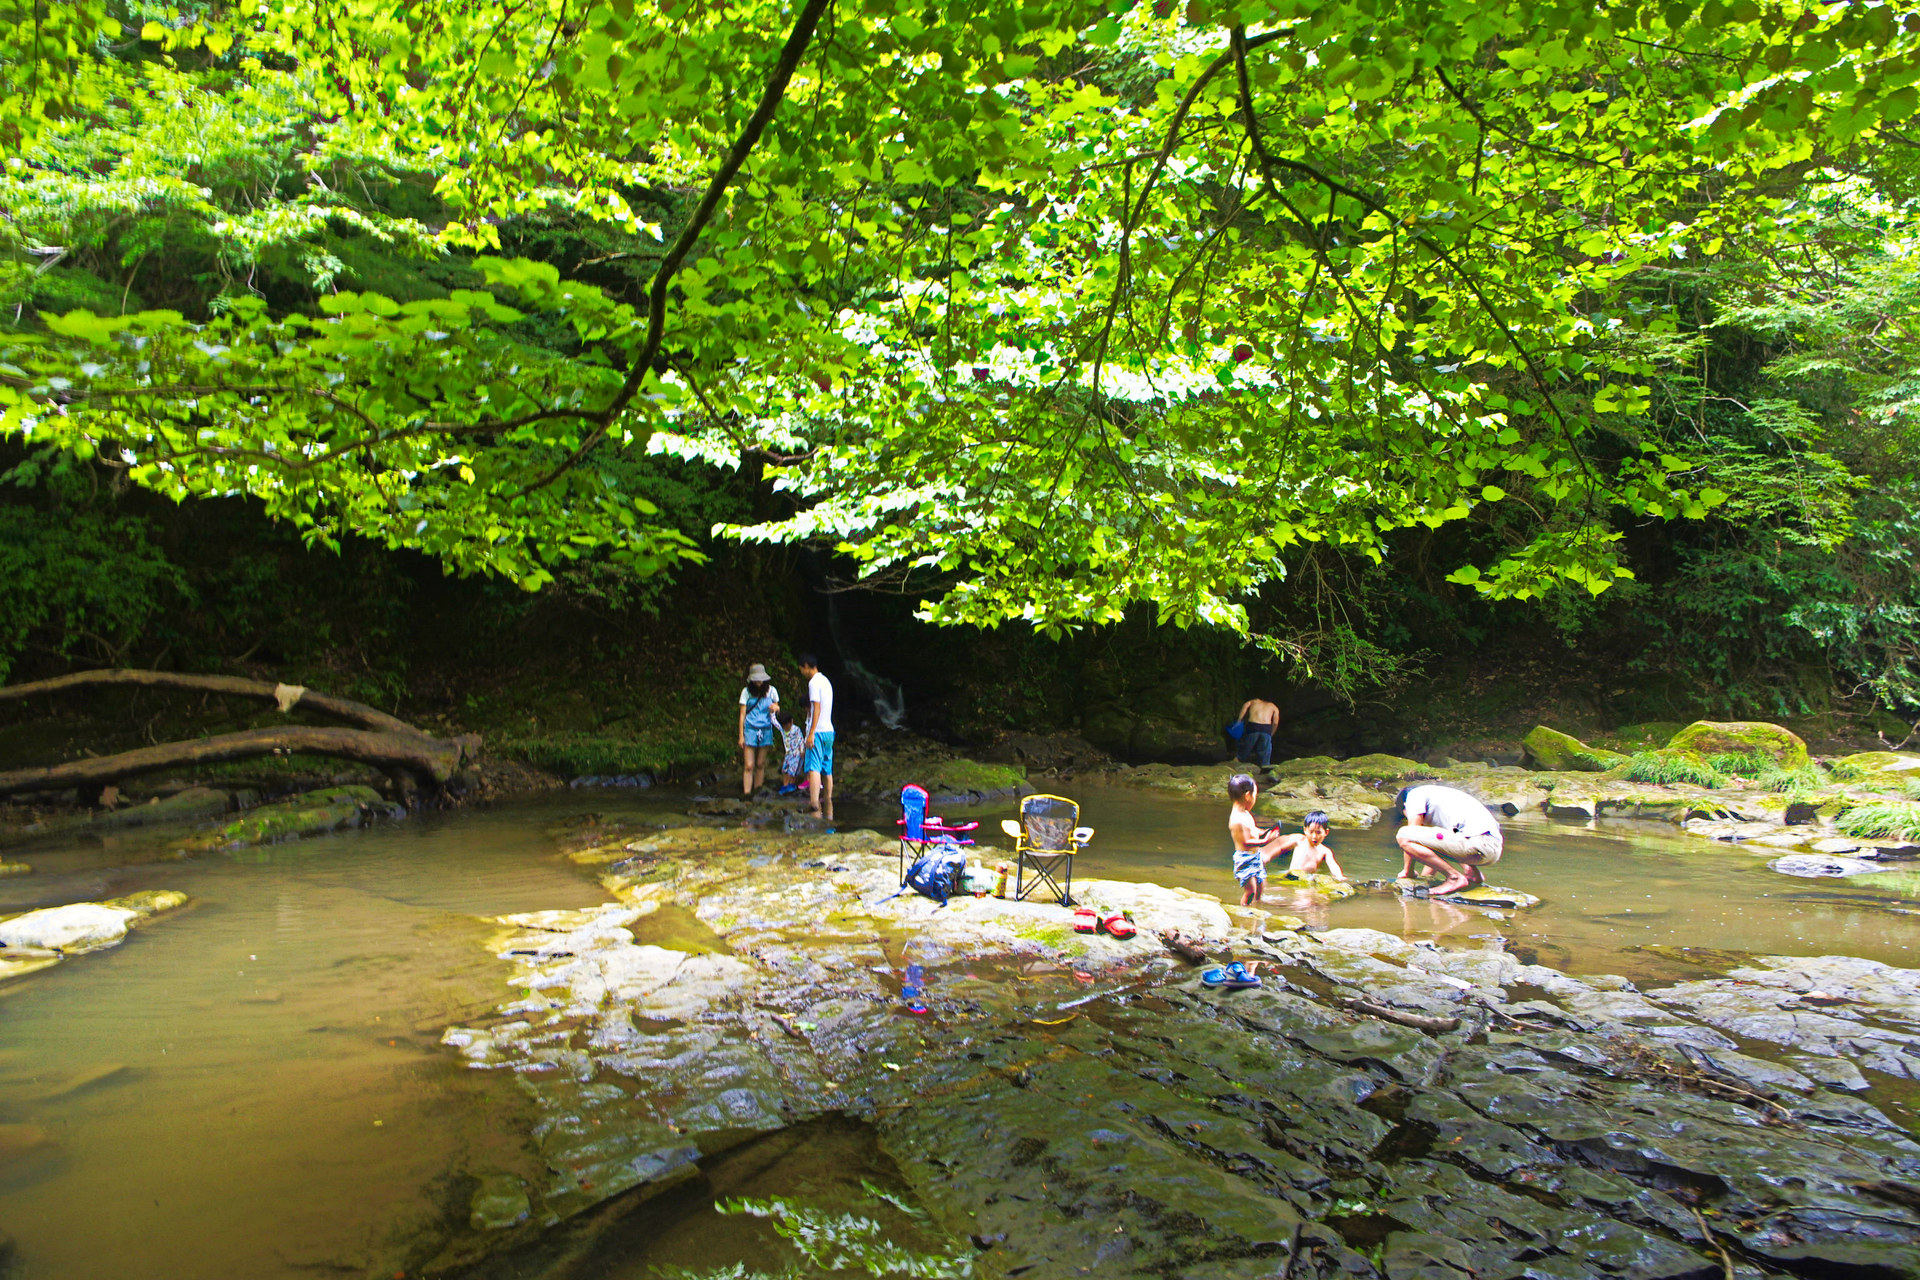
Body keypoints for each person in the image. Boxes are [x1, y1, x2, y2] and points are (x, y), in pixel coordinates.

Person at [1394, 784, 1504, 897]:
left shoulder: (1414, 794)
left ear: (1405, 806)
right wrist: (1425, 879)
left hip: (1478, 843)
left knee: (1404, 834)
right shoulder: (1442, 798)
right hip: (1492, 850)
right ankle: (1473, 874)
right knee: (1429, 838)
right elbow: (1436, 849)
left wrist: (1408, 872)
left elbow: (1411, 831)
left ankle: (1454, 877)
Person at [1226, 773, 1282, 906]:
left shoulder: (1245, 813)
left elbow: (1252, 830)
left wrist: (1263, 832)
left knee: (1260, 885)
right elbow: (1246, 841)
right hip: (1245, 859)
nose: (1255, 799)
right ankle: (1244, 910)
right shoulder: (1236, 820)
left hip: (1255, 856)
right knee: (1250, 890)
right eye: (1255, 796)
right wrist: (1265, 841)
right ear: (1247, 796)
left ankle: (1257, 906)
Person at [797, 653, 835, 820]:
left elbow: (816, 709)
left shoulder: (813, 683)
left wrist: (811, 733)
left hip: (818, 731)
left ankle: (814, 803)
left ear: (806, 666)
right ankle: (828, 802)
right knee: (827, 768)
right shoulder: (826, 681)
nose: (802, 672)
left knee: (814, 767)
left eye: (801, 669)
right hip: (829, 730)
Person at [1267, 809, 1347, 882]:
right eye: (1311, 832)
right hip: (1291, 876)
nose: (1314, 836)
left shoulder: (1325, 851)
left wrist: (1339, 876)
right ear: (1305, 830)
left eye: (1318, 832)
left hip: (1307, 880)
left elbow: (1333, 864)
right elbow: (1281, 845)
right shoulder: (1300, 841)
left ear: (1326, 832)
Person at [736, 663, 780, 796]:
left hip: (766, 729)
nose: (759, 682)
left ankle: (758, 792)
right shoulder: (746, 692)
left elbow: (776, 708)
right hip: (750, 730)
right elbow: (742, 715)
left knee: (760, 763)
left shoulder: (772, 691)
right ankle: (747, 793)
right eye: (756, 679)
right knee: (749, 765)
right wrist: (741, 736)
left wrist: (775, 709)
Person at [1235, 696, 1281, 767]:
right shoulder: (1273, 706)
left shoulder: (1254, 701)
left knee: (1246, 746)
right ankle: (1265, 766)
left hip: (1253, 726)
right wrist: (1271, 733)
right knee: (1265, 751)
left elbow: (1245, 706)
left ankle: (1237, 761)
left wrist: (1239, 720)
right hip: (1266, 728)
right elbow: (1275, 723)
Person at [775, 711, 806, 795]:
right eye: (784, 726)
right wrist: (772, 713)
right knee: (785, 769)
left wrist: (802, 750)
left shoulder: (796, 729)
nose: (786, 727)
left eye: (787, 725)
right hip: (788, 753)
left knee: (793, 771)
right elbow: (774, 722)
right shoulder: (782, 730)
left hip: (796, 754)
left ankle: (792, 784)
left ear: (791, 722)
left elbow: (801, 740)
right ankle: (785, 785)